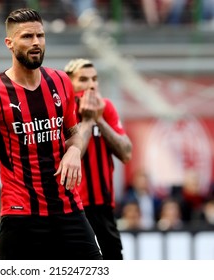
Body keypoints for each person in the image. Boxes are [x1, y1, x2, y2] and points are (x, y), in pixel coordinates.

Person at [0, 8, 102, 260]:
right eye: (27, 36)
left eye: (40, 35)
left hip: (69, 210)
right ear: (9, 43)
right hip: (21, 218)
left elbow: (73, 134)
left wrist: (73, 150)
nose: (36, 42)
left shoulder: (61, 82)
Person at [64, 58, 132, 259]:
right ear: (70, 84)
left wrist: (99, 119)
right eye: (83, 80)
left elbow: (126, 153)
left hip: (104, 207)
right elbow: (73, 155)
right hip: (74, 209)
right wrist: (87, 121)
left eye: (95, 79)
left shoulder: (106, 107)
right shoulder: (64, 112)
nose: (91, 85)